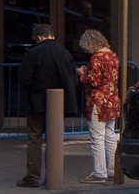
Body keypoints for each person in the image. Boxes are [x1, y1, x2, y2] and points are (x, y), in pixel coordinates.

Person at [17, 22, 80, 188]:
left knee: (34, 139)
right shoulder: (65, 53)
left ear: (39, 37)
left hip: (36, 104)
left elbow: (25, 78)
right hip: (58, 105)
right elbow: (73, 79)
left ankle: (32, 176)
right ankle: (53, 175)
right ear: (51, 35)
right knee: (54, 140)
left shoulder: (33, 53)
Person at [78, 29, 120, 183]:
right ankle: (112, 170)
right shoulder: (113, 55)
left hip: (98, 101)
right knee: (110, 136)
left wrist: (82, 73)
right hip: (112, 99)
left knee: (97, 137)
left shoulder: (96, 58)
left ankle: (99, 172)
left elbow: (93, 81)